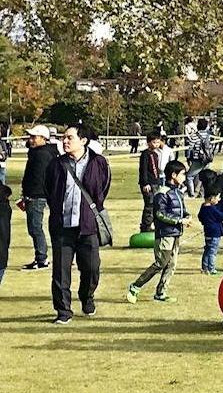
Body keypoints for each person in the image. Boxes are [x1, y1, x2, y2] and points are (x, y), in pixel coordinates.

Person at [44, 124, 112, 324]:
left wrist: (91, 209)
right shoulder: (56, 164)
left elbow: (103, 188)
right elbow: (49, 189)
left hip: (88, 226)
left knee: (91, 268)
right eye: (64, 138)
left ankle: (86, 296)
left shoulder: (98, 163)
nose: (65, 141)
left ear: (83, 141)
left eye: (69, 138)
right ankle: (63, 311)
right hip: (62, 226)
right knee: (60, 271)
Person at [127, 158, 188, 304]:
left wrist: (187, 216)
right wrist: (179, 221)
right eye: (182, 174)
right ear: (173, 175)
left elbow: (182, 211)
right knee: (160, 263)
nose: (184, 177)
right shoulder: (162, 193)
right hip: (165, 235)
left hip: (176, 235)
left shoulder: (179, 193)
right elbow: (160, 214)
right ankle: (136, 286)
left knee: (171, 265)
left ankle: (161, 292)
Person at [19, 124, 55, 272]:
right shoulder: (38, 153)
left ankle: (42, 259)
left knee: (35, 228)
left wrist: (29, 196)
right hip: (34, 195)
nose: (31, 139)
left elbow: (38, 179)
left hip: (36, 196)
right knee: (34, 228)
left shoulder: (42, 155)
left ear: (43, 138)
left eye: (34, 137)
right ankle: (40, 257)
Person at [198, 186, 223, 275]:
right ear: (212, 198)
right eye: (218, 197)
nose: (219, 199)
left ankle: (204, 267)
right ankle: (211, 268)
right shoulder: (212, 209)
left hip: (207, 232)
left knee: (207, 250)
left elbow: (200, 217)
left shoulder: (203, 207)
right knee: (212, 252)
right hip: (215, 234)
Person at [137, 131, 167, 234]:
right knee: (149, 205)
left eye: (158, 142)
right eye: (154, 142)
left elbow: (156, 170)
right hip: (148, 184)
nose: (156, 144)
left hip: (156, 182)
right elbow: (143, 169)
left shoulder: (156, 154)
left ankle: (154, 224)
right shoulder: (145, 154)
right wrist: (145, 183)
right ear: (148, 142)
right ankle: (145, 226)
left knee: (156, 205)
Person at [185, 120, 213, 198]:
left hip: (198, 158)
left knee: (189, 176)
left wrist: (188, 157)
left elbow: (190, 147)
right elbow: (210, 147)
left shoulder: (195, 135)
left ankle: (191, 194)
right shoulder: (208, 135)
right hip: (207, 159)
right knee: (205, 176)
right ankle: (203, 193)